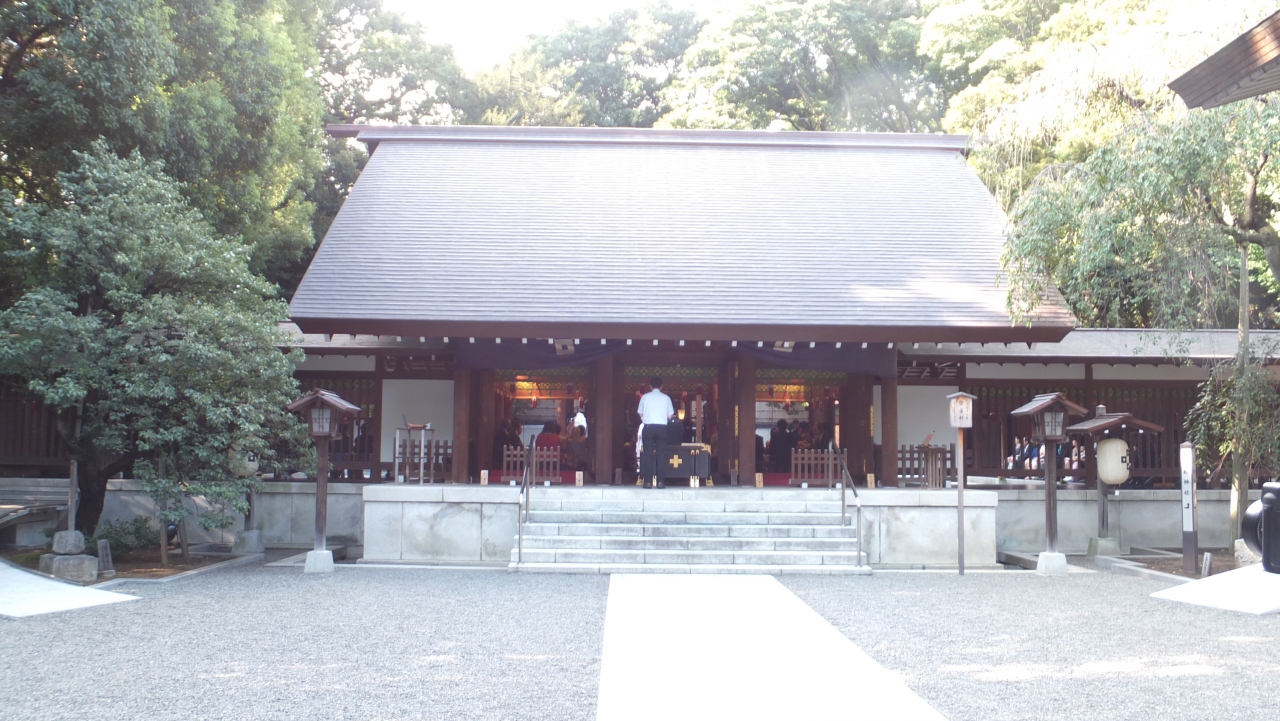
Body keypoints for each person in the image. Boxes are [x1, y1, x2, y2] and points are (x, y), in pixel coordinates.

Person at [637, 377, 675, 488]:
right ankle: (660, 482)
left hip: (648, 427)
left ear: (650, 386)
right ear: (661, 386)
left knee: (648, 454)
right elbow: (670, 416)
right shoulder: (666, 398)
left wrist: (646, 418)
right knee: (661, 455)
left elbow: (640, 413)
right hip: (662, 428)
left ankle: (648, 482)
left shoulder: (645, 397)